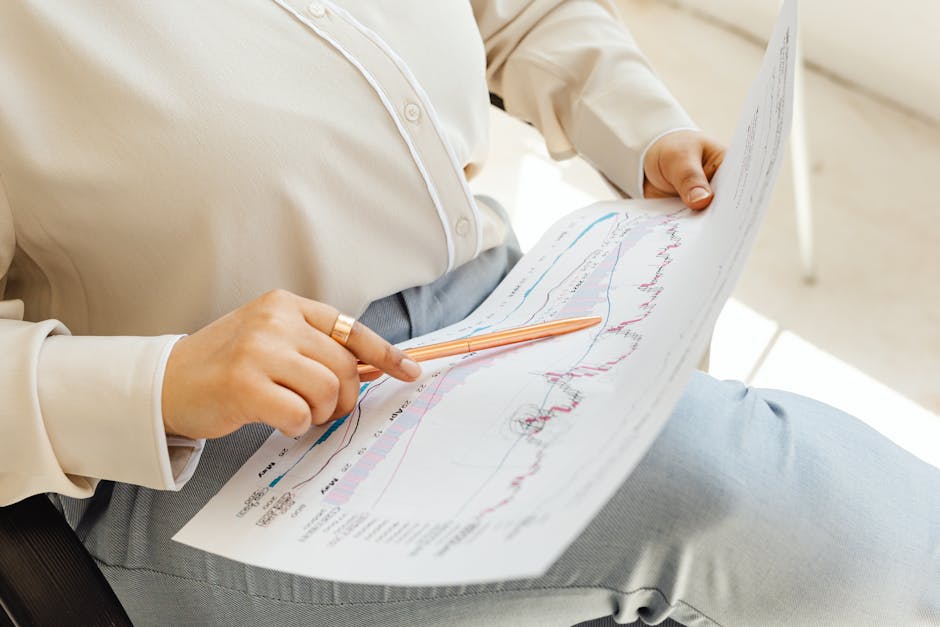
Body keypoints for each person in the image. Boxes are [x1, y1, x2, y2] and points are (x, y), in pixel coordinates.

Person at [0, 1, 936, 625]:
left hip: (496, 301)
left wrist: (642, 125)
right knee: (802, 511)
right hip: (206, 451)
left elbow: (516, 11)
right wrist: (161, 381)